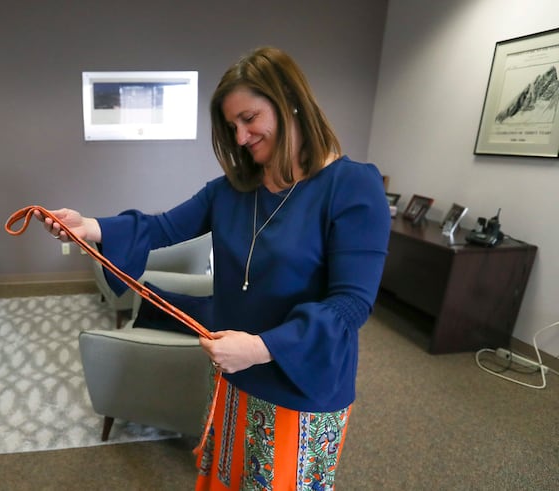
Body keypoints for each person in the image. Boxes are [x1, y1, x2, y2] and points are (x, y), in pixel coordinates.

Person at [36, 46, 390, 490]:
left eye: (249, 119)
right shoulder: (232, 190)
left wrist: (261, 348)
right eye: (231, 126)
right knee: (224, 479)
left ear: (289, 101)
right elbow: (161, 227)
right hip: (232, 372)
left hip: (301, 383)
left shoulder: (352, 186)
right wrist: (88, 227)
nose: (240, 137)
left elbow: (351, 304)